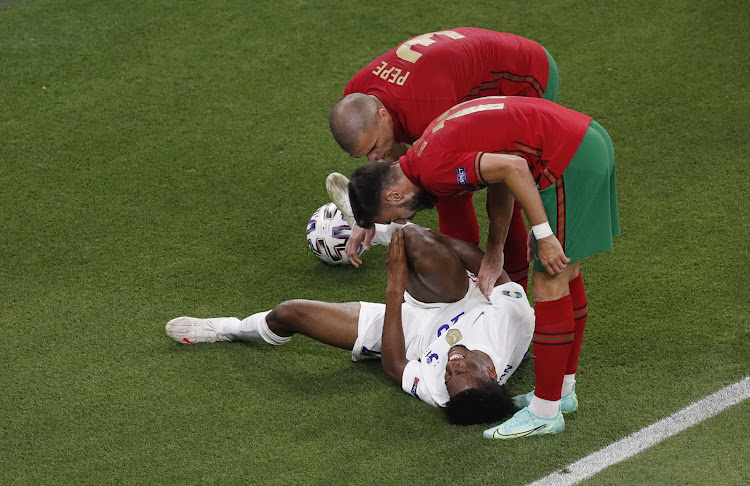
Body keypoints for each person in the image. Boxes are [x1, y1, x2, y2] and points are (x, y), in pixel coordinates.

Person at [345, 95, 619, 438]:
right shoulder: (422, 153)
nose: (407, 218)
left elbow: (515, 169)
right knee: (568, 273)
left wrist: (543, 233)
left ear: (394, 196)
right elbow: (503, 169)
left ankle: (545, 412)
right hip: (582, 142)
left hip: (566, 159)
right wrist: (495, 249)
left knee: (550, 280)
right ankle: (561, 392)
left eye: (397, 216)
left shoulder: (433, 170)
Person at [166, 224, 534, 425]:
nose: (449, 366)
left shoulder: (450, 396)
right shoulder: (513, 321)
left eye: (449, 377)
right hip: (461, 297)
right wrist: (446, 244)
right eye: (460, 369)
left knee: (289, 313)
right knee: (419, 241)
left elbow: (395, 365)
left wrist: (395, 287)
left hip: (409, 332)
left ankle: (229, 329)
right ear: (490, 370)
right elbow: (493, 271)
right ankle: (385, 228)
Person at [329, 27, 561, 289]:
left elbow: (505, 170)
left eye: (373, 147)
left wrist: (494, 251)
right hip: (469, 80)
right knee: (434, 179)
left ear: (382, 115)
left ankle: (511, 297)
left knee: (486, 191)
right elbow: (396, 167)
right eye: (363, 155)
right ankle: (478, 287)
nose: (374, 158)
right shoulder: (358, 97)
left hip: (524, 78)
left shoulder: (426, 110)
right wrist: (370, 211)